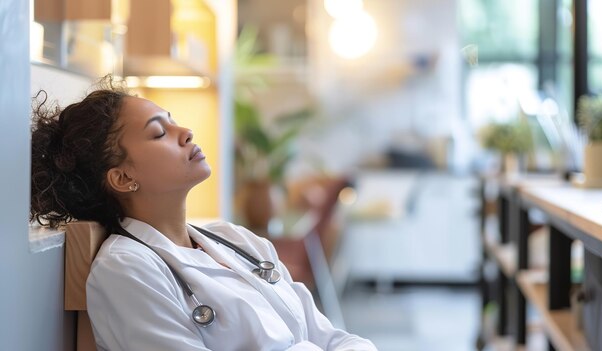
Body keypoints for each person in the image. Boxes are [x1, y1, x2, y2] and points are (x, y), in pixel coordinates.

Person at [30, 77, 377, 351]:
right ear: (123, 178)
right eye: (158, 132)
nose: (186, 133)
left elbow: (330, 336)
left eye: (174, 122)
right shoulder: (125, 270)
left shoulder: (234, 239)